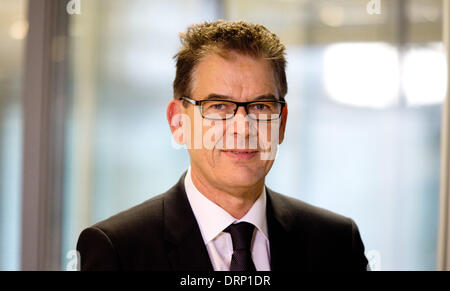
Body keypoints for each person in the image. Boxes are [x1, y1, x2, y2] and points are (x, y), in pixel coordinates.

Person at [76, 20, 368, 271]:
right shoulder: (117, 250)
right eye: (218, 106)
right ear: (178, 122)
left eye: (261, 106)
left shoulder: (337, 243)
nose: (243, 127)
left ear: (281, 124)